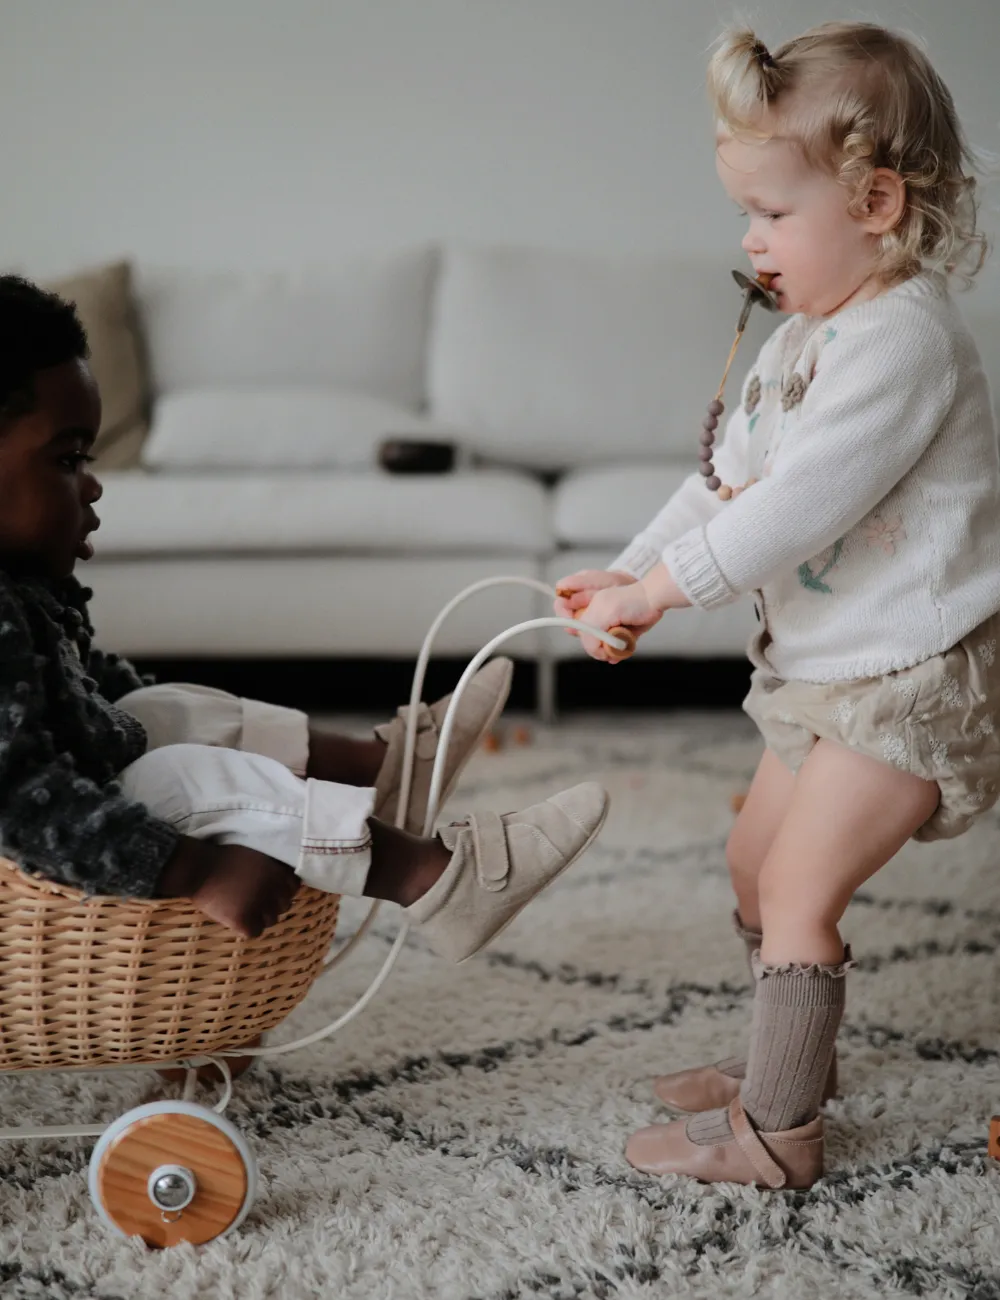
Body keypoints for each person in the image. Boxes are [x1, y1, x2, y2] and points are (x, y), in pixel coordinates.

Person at [555, 21, 999, 1188]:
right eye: (741, 215)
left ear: (875, 202)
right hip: (823, 668)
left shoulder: (902, 341)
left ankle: (778, 1136)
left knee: (802, 887)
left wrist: (664, 593)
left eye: (770, 212)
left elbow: (793, 507)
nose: (749, 243)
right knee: (754, 865)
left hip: (908, 676)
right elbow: (720, 479)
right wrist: (627, 567)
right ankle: (785, 1059)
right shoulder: (799, 338)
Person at [0, 273, 608, 963]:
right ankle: (436, 879)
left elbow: (83, 684)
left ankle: (383, 773)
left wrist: (150, 710)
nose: (93, 481)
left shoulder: (20, 582)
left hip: (80, 766)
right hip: (58, 827)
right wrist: (197, 869)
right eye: (67, 460)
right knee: (171, 779)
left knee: (158, 709)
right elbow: (19, 799)